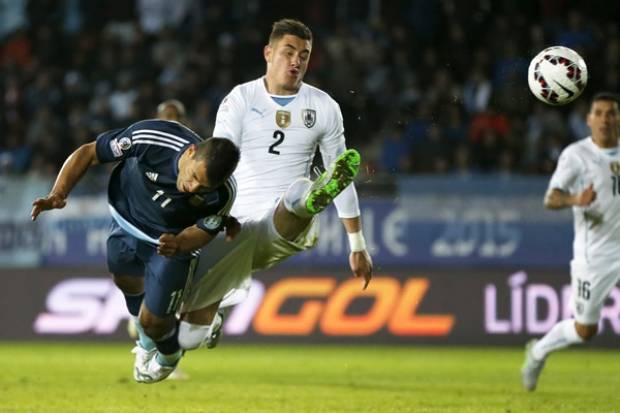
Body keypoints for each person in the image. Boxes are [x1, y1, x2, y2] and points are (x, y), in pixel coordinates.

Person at [175, 18, 373, 349]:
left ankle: (310, 198)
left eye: (305, 55)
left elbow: (343, 178)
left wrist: (357, 244)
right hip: (234, 227)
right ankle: (207, 319)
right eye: (288, 52)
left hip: (285, 224)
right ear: (268, 53)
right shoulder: (240, 99)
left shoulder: (323, 107)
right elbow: (218, 163)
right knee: (186, 336)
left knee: (300, 191)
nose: (296, 61)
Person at [31, 115, 240, 383]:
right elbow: (89, 153)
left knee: (155, 322)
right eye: (194, 176)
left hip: (171, 245)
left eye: (203, 187)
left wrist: (179, 243)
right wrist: (58, 194)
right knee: (124, 279)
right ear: (190, 152)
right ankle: (145, 341)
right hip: (126, 221)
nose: (193, 188)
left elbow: (203, 232)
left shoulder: (224, 194)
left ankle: (168, 358)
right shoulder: (152, 138)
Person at [522, 92, 620, 391]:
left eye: (611, 113)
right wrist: (577, 199)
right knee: (585, 330)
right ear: (588, 120)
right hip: (596, 255)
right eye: (599, 113)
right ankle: (538, 352)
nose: (605, 119)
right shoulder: (576, 155)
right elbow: (551, 199)